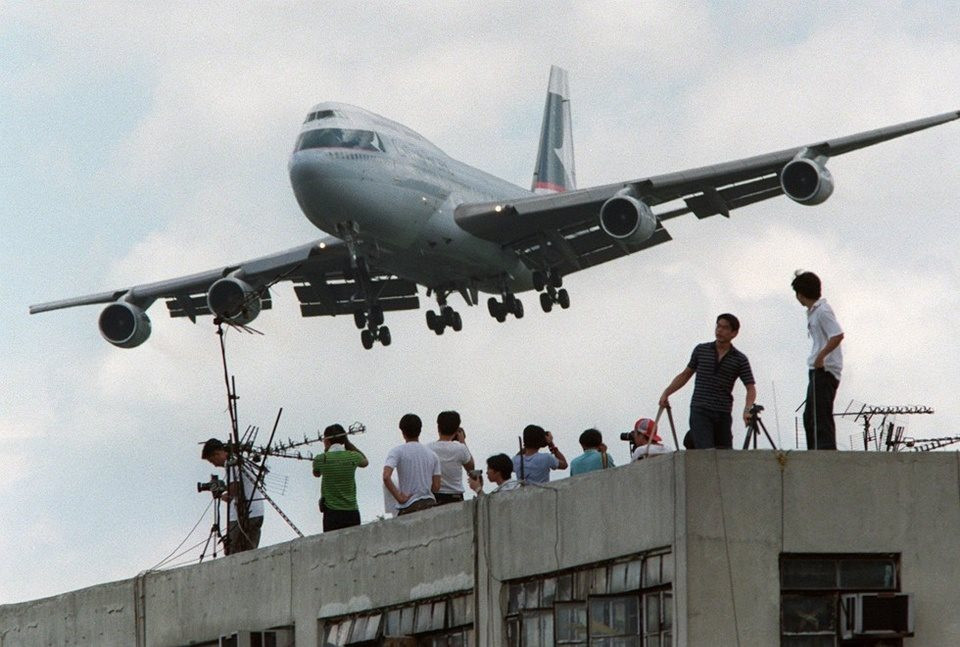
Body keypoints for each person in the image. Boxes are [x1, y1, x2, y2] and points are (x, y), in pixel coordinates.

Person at [659, 314, 757, 449]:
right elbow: (686, 374)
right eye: (718, 326)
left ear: (734, 333)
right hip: (700, 408)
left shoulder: (739, 359)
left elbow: (750, 388)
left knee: (725, 453)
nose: (719, 330)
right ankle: (694, 438)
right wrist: (667, 392)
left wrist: (747, 410)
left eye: (725, 328)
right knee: (705, 450)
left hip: (723, 411)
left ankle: (692, 438)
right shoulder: (701, 350)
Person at [792, 271, 845, 450]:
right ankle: (814, 450)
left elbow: (837, 335)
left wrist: (821, 356)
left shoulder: (822, 311)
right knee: (811, 416)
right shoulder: (813, 312)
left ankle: (825, 451)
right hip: (817, 368)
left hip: (825, 369)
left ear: (800, 293)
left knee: (820, 415)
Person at [201, 438, 264, 555]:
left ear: (216, 454)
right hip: (255, 511)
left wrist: (223, 493)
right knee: (249, 553)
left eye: (212, 460)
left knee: (234, 553)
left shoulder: (231, 463)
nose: (214, 465)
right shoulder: (239, 461)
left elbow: (235, 487)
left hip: (245, 514)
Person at [312, 424, 369, 532]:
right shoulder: (353, 456)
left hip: (332, 513)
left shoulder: (321, 459)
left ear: (327, 440)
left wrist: (327, 452)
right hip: (352, 512)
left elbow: (316, 473)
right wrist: (348, 444)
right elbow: (365, 462)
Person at [383, 414, 442, 515]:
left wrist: (399, 497)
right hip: (430, 503)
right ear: (420, 430)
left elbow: (386, 476)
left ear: (402, 431)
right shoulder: (432, 454)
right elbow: (436, 486)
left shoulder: (397, 452)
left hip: (409, 505)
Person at [427, 410, 475, 505]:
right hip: (455, 496)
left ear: (438, 427)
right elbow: (471, 467)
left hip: (435, 496)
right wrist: (462, 441)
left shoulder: (428, 448)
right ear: (456, 430)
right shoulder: (460, 448)